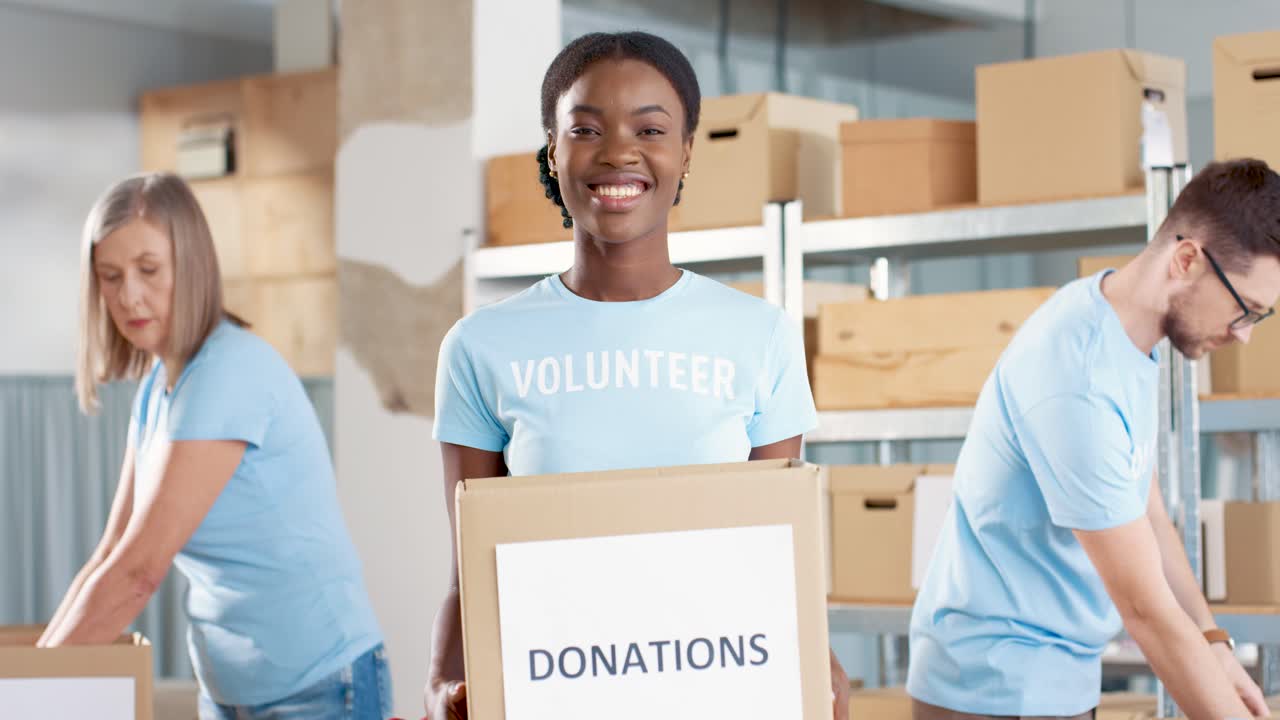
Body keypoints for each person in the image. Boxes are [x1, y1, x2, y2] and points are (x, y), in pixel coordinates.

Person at [426, 31, 849, 720]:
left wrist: (819, 663)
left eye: (649, 128)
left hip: (716, 692)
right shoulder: (480, 347)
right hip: (556, 697)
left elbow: (780, 556)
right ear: (553, 151)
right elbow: (469, 574)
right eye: (586, 129)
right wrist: (441, 683)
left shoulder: (760, 335)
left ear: (685, 152)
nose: (619, 152)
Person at [908, 159, 1280, 719]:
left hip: (1053, 678)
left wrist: (1211, 639)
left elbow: (1145, 507)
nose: (1245, 335)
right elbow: (1143, 607)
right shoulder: (1077, 380)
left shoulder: (1125, 334)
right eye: (1244, 309)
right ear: (1185, 262)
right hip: (998, 690)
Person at [39, 173, 390, 720]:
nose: (129, 294)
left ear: (192, 263)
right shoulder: (159, 387)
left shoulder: (230, 370)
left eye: (148, 271)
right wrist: (34, 673)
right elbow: (111, 553)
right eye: (111, 277)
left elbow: (139, 573)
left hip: (318, 687)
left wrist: (30, 691)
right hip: (231, 691)